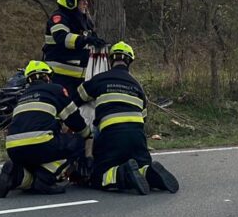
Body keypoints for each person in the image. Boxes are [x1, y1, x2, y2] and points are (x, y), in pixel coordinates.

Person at [74, 41, 179, 194]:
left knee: (99, 175)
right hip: (137, 136)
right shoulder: (137, 86)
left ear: (111, 61)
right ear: (129, 62)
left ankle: (123, 174)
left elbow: (77, 97)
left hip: (111, 134)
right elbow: (144, 118)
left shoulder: (101, 79)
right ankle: (150, 173)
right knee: (141, 164)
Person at [0, 61, 92, 198]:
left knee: (35, 162)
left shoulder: (22, 97)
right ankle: (45, 179)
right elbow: (73, 119)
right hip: (41, 144)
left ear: (29, 80)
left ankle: (17, 175)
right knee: (76, 142)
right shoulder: (55, 89)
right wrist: (87, 134)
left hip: (13, 149)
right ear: (47, 77)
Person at [43, 0, 106, 96]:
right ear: (71, 1)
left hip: (79, 79)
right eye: (83, 0)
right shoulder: (59, 18)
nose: (86, 4)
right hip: (59, 77)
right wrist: (86, 39)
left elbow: (90, 39)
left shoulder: (84, 20)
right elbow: (63, 38)